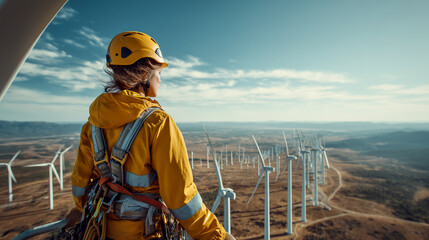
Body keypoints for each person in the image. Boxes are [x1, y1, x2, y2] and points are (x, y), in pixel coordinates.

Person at [70, 31, 230, 240]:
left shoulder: (91, 125)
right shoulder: (159, 124)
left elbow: (80, 187)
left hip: (101, 232)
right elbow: (182, 201)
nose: (160, 79)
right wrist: (216, 236)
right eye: (159, 72)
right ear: (145, 74)